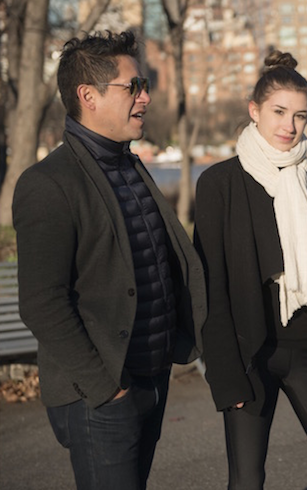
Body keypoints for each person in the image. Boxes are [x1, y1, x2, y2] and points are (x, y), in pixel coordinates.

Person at [12, 31, 206, 490]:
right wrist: (107, 391)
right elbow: (42, 303)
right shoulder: (48, 183)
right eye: (133, 86)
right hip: (98, 396)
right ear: (88, 96)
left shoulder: (129, 166)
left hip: (150, 377)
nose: (146, 96)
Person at [193, 50, 307, 490]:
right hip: (250, 354)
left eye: (300, 116)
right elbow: (210, 284)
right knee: (247, 480)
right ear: (254, 111)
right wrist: (224, 371)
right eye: (278, 112)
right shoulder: (220, 183)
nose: (289, 126)